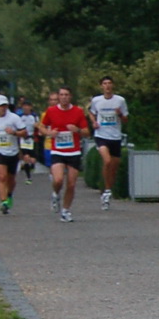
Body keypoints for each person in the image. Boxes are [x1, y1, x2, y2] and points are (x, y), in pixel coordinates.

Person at [42, 86, 90, 222]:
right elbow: (41, 127)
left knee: (71, 184)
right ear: (58, 97)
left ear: (70, 97)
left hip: (73, 151)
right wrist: (49, 133)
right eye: (61, 95)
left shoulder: (78, 111)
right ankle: (55, 194)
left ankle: (65, 211)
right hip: (58, 150)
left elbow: (87, 132)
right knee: (58, 180)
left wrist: (77, 130)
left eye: (66, 95)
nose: (64, 97)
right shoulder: (51, 111)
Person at [88, 75, 129, 210]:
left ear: (113, 85)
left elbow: (126, 120)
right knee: (107, 161)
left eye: (109, 83)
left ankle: (107, 189)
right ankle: (105, 189)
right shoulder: (96, 100)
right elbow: (91, 112)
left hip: (115, 136)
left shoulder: (120, 100)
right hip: (101, 135)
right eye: (105, 83)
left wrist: (120, 115)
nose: (107, 86)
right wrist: (94, 122)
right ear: (101, 86)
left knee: (114, 167)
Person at [15, 97, 40, 183]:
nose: (25, 108)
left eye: (27, 106)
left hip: (32, 139)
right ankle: (28, 177)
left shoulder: (34, 116)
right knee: (26, 157)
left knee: (32, 159)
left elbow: (39, 127)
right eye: (24, 106)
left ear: (30, 107)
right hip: (23, 139)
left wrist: (37, 129)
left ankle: (32, 165)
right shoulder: (20, 117)